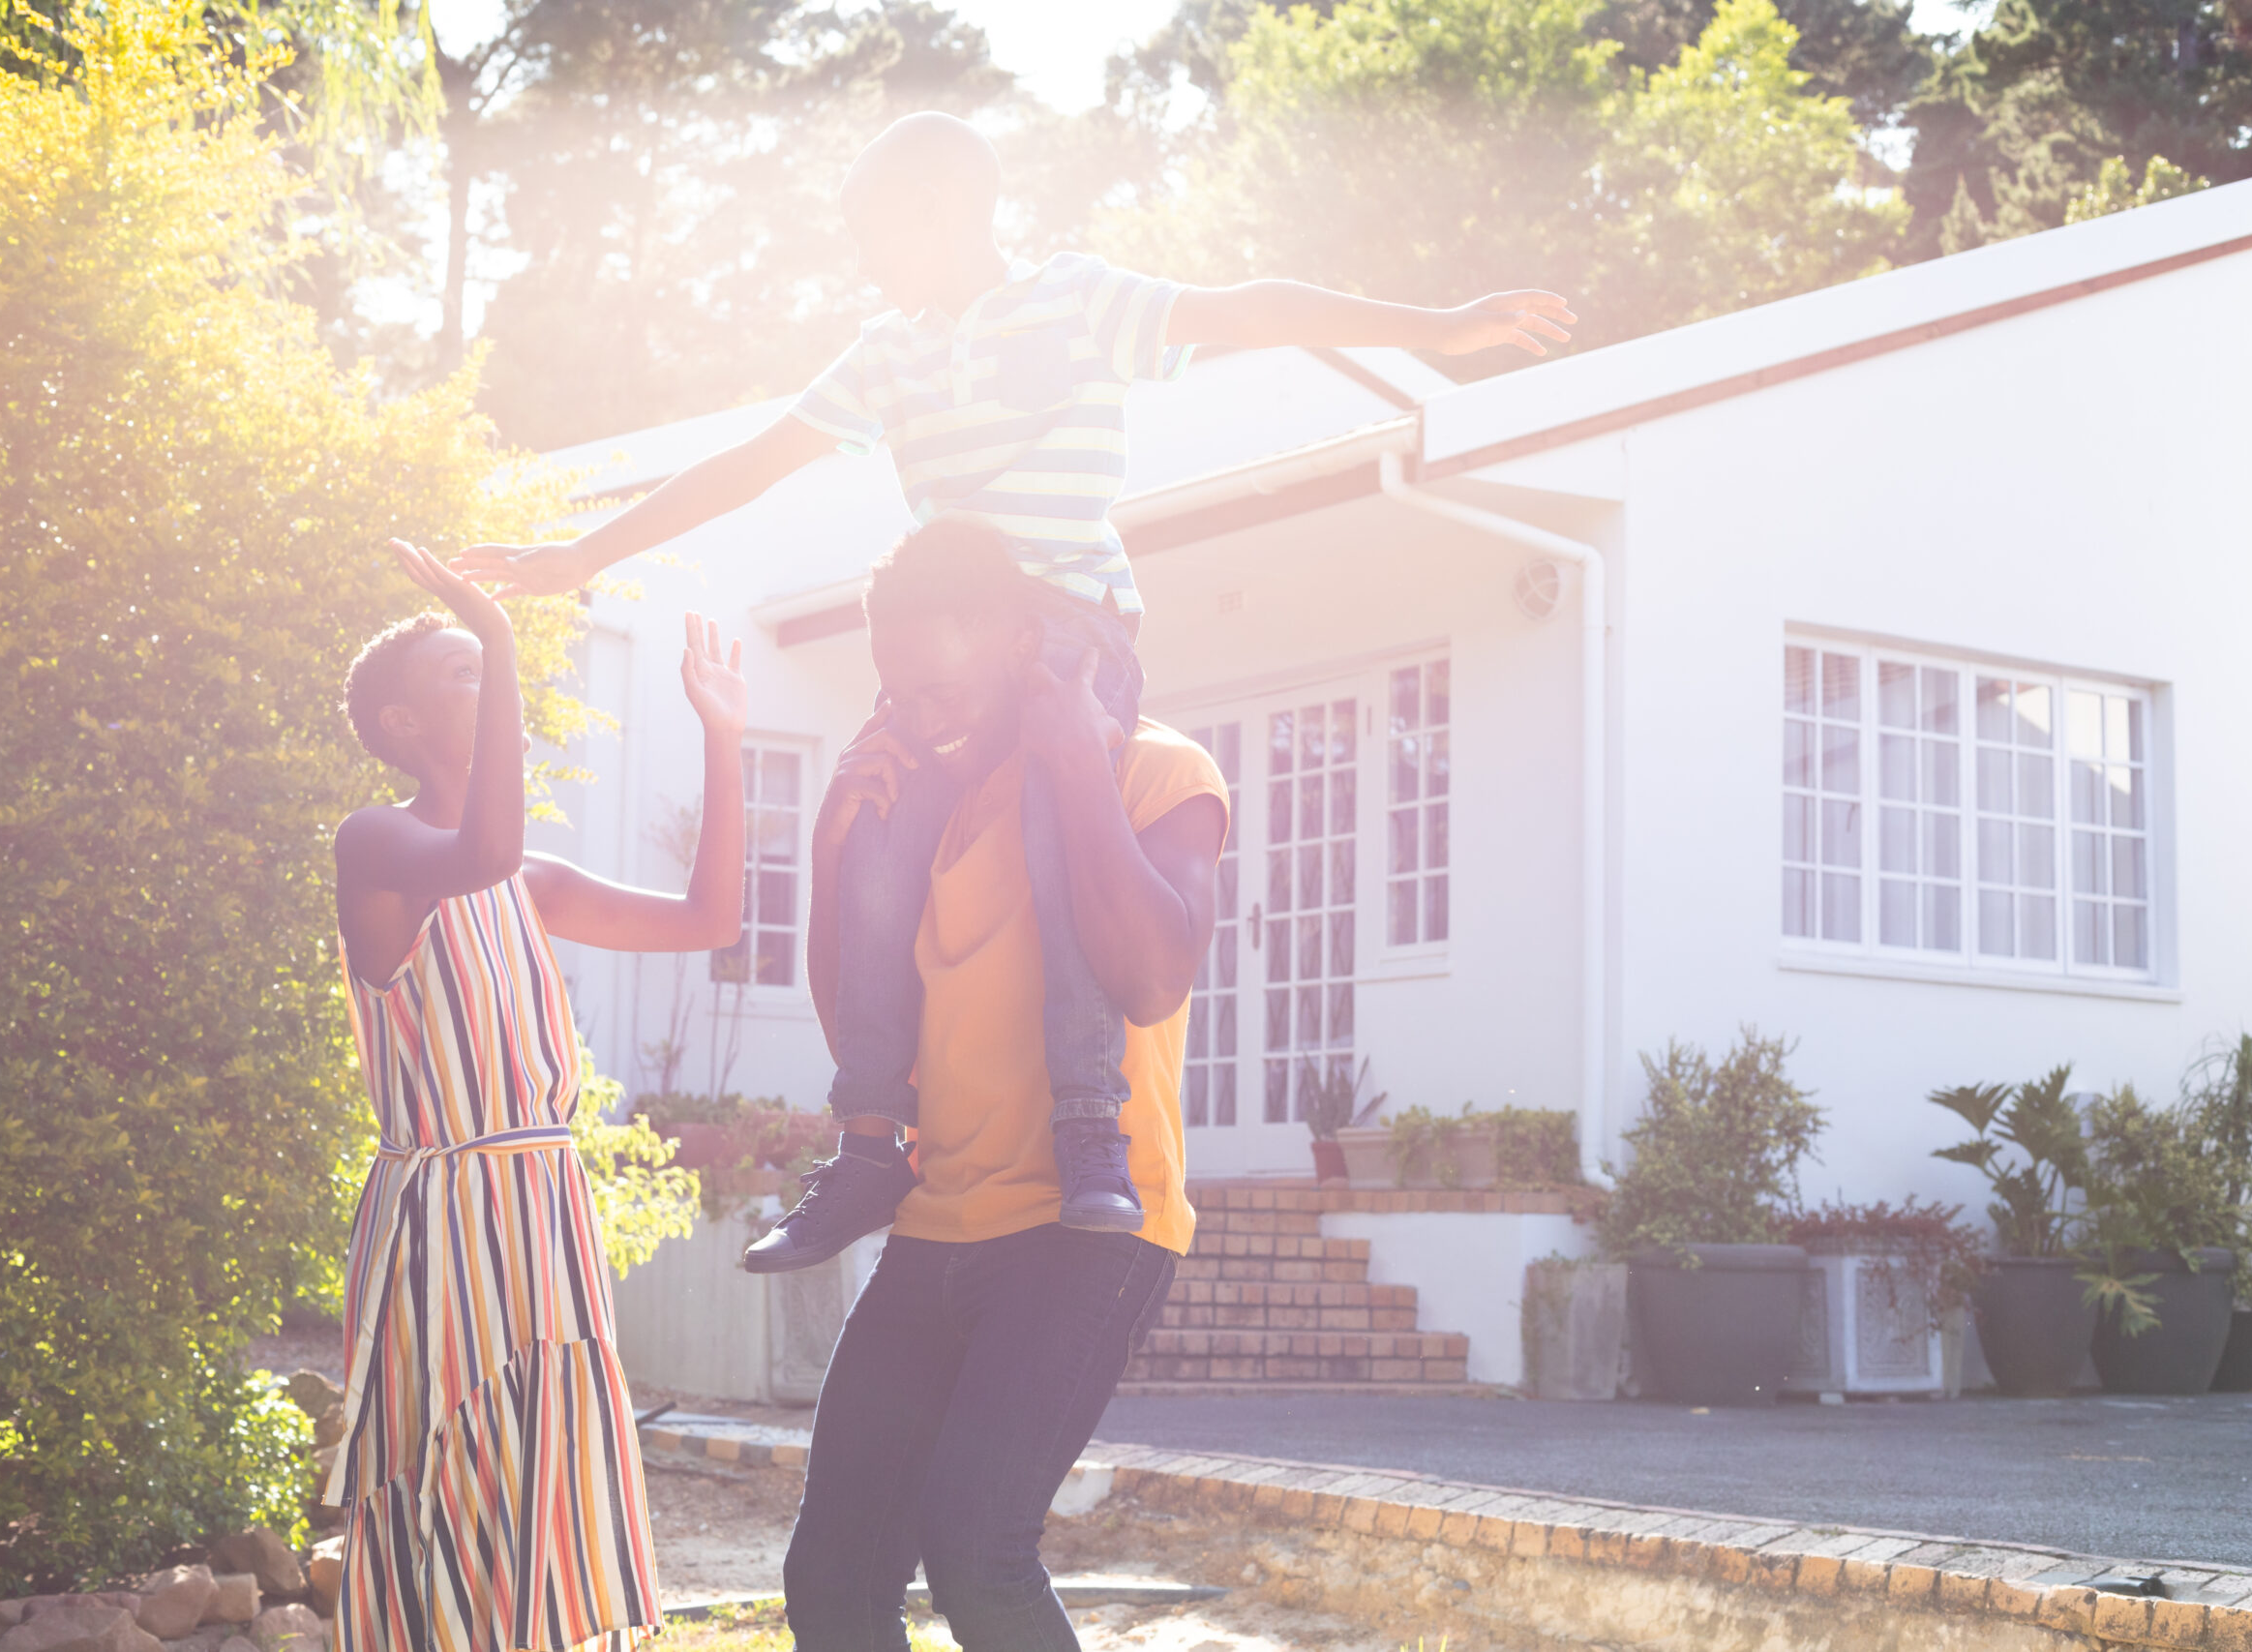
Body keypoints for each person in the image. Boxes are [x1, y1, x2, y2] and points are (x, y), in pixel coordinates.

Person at [452, 110, 1575, 1272]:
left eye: (873, 232)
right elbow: (750, 464)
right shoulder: (886, 353)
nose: (863, 259)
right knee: (877, 843)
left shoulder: (1078, 301)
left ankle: (1091, 1134)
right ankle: (870, 1145)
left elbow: (1253, 305)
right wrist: (582, 559)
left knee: (1054, 834)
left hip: (1064, 640)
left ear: (943, 211)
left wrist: (1435, 323)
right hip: (942, 652)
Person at [778, 517, 1230, 1651]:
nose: (923, 726)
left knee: (976, 1555)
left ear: (1023, 646)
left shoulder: (1158, 767)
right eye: (899, 701)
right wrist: (842, 840)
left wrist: (1074, 754)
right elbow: (865, 1028)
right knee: (831, 1575)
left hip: (1084, 1232)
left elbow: (1150, 976)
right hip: (937, 1226)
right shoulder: (932, 817)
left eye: (945, 693)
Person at [326, 539, 750, 1650]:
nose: (494, 683)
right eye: (462, 673)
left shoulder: (531, 879)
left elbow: (709, 922)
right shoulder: (377, 844)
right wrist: (506, 631)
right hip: (447, 1212)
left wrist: (724, 736)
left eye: (488, 664)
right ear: (401, 726)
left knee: (553, 1470)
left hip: (544, 1206)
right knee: (446, 1478)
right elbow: (479, 848)